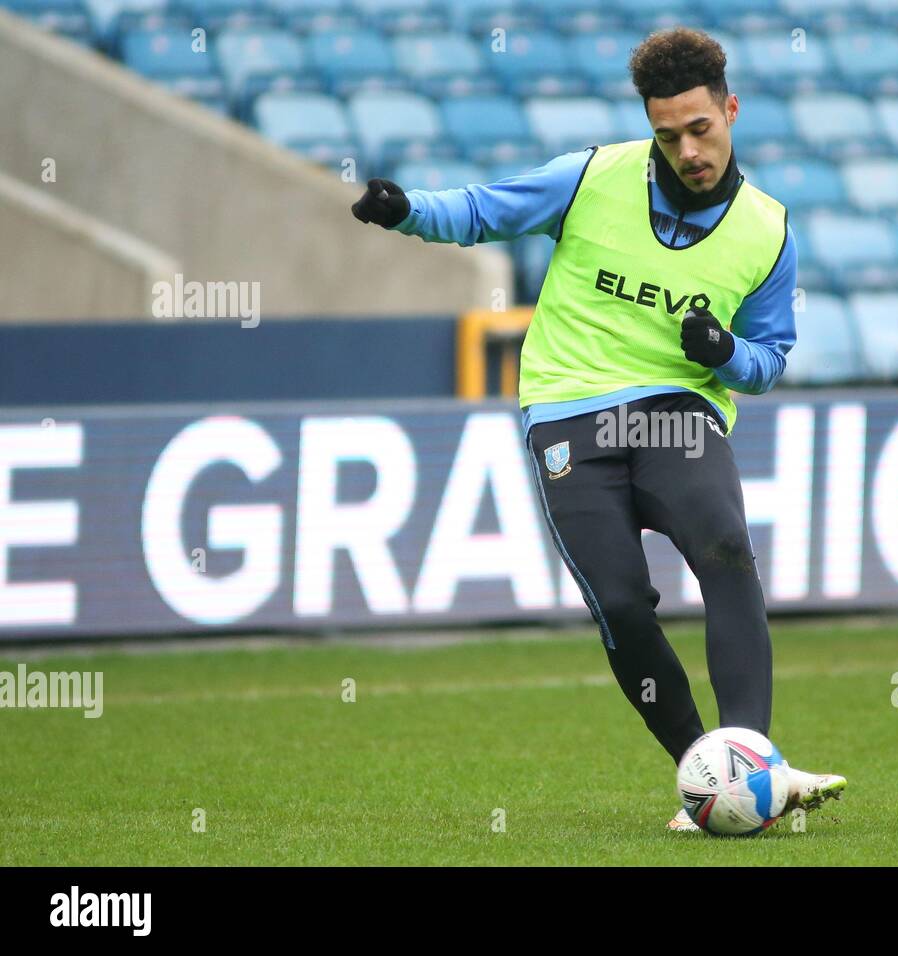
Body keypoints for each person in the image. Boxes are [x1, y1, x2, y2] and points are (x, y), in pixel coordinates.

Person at [353, 27, 844, 830]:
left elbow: (769, 359)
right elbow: (483, 211)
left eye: (701, 128)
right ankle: (708, 779)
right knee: (621, 605)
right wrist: (407, 210)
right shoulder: (591, 177)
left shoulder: (767, 230)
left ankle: (754, 760)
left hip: (675, 409)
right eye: (668, 135)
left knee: (723, 547)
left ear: (730, 108)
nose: (688, 149)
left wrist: (726, 352)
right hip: (568, 410)